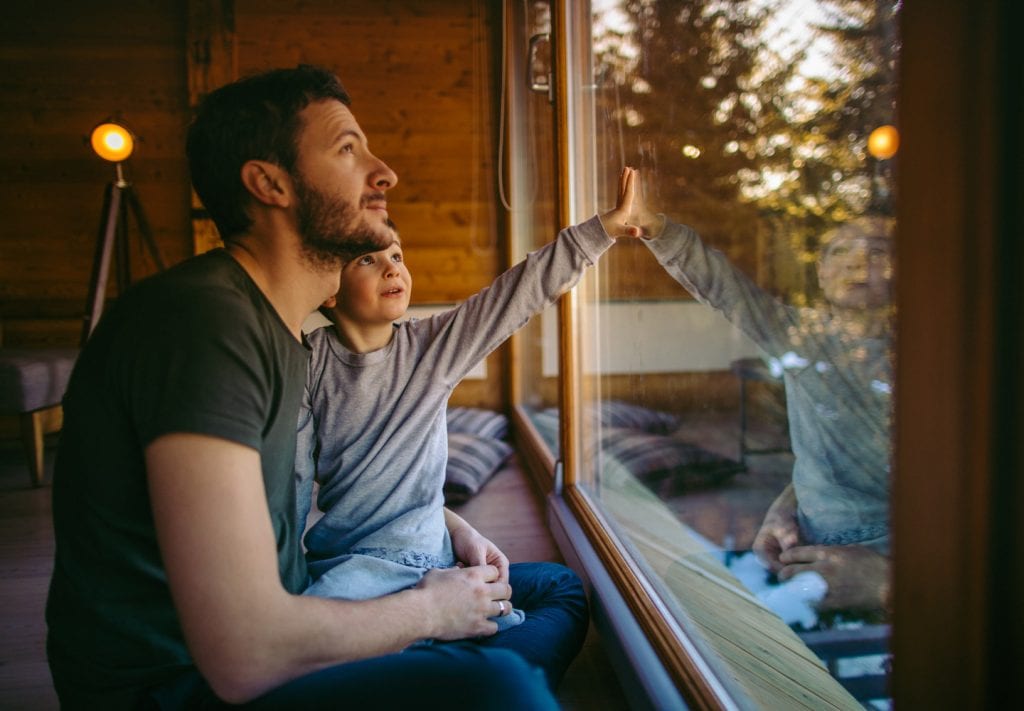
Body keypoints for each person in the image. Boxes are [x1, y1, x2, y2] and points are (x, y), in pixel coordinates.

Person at [45, 65, 563, 710]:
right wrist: (428, 612)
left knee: (548, 586)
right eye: (348, 150)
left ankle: (450, 658)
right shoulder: (203, 328)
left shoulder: (277, 333)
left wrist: (447, 529)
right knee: (505, 687)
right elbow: (246, 656)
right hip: (181, 686)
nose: (384, 174)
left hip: (285, 610)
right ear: (270, 184)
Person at [296, 167, 649, 687]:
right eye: (368, 259)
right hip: (355, 574)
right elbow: (290, 487)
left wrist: (602, 230)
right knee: (305, 650)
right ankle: (457, 674)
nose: (392, 268)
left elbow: (518, 293)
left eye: (396, 255)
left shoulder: (431, 347)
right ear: (329, 289)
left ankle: (446, 671)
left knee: (560, 584)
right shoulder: (306, 366)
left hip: (434, 563)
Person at [638, 202, 894, 612]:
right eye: (839, 252)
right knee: (677, 596)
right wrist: (785, 508)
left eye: (877, 251)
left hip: (880, 565)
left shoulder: (929, 363)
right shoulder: (798, 335)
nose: (857, 262)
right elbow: (726, 288)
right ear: (822, 272)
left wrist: (892, 580)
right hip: (803, 548)